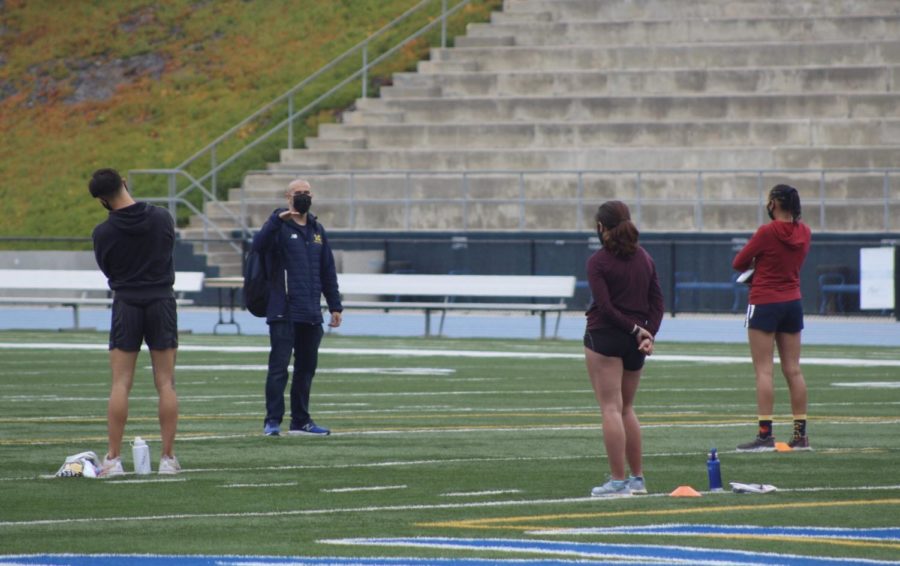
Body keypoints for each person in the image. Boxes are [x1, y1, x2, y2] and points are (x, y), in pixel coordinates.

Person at [89, 168, 180, 476]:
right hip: (161, 300)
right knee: (165, 382)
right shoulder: (162, 217)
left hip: (126, 301)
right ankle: (168, 458)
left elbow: (108, 269)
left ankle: (113, 458)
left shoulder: (103, 233)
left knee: (120, 383)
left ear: (102, 199)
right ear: (124, 183)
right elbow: (169, 250)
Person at [584, 201, 664, 497]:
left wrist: (637, 331)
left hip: (606, 337)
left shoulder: (598, 262)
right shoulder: (645, 258)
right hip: (635, 342)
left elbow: (604, 307)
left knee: (610, 408)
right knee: (627, 408)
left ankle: (618, 481)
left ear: (602, 227)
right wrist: (647, 334)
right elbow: (657, 301)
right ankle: (637, 479)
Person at [252, 179, 342, 437]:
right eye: (298, 193)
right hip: (284, 311)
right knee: (279, 368)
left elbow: (328, 270)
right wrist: (276, 220)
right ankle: (272, 421)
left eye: (306, 193)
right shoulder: (278, 226)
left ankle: (301, 421)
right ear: (287, 196)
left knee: (306, 370)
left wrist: (335, 305)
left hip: (312, 311)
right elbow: (257, 246)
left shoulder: (317, 229)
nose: (303, 196)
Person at [733, 184, 812, 452]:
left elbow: (739, 262)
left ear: (775, 204)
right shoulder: (805, 231)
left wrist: (758, 266)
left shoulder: (767, 232)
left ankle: (765, 435)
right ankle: (801, 435)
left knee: (764, 371)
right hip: (793, 301)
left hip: (765, 301)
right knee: (793, 369)